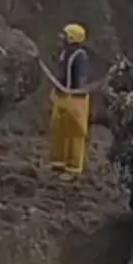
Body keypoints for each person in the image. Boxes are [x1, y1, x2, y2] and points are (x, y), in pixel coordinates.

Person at [49, 23, 91, 175]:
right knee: (58, 129)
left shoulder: (80, 56)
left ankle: (73, 168)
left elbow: (81, 80)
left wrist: (74, 96)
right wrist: (55, 91)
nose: (61, 38)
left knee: (74, 133)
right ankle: (58, 162)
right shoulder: (63, 54)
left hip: (75, 99)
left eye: (64, 35)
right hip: (62, 96)